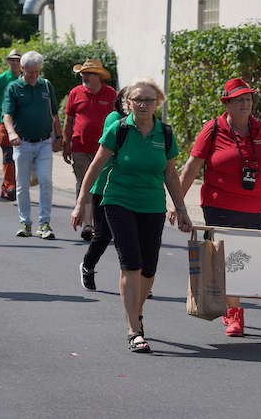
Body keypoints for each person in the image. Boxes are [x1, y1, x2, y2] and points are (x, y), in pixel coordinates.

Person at [72, 78, 192, 353]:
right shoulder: (119, 129)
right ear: (128, 103)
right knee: (132, 263)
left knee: (149, 268)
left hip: (152, 204)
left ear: (157, 103)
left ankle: (135, 313)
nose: (142, 104)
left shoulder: (165, 133)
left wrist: (181, 208)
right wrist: (81, 202)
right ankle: (134, 330)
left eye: (148, 100)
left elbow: (170, 173)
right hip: (118, 200)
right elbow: (96, 165)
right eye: (137, 99)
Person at [173, 78, 261, 337]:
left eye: (248, 99)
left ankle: (230, 305)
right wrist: (178, 204)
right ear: (228, 104)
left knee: (245, 261)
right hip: (219, 206)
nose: (245, 103)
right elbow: (191, 167)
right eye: (239, 100)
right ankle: (235, 313)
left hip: (255, 207)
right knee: (228, 260)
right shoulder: (213, 129)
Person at [2, 50, 62, 240]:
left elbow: (54, 113)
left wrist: (59, 137)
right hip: (22, 143)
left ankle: (44, 223)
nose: (34, 76)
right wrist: (11, 133)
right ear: (22, 69)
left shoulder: (46, 86)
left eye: (37, 72)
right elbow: (7, 115)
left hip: (44, 142)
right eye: (30, 72)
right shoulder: (14, 88)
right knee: (22, 184)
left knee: (46, 181)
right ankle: (25, 222)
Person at [79, 86, 128, 291]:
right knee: (104, 235)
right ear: (124, 101)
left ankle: (135, 278)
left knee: (128, 237)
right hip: (106, 187)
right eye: (133, 98)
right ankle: (88, 266)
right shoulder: (114, 120)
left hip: (130, 190)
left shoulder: (150, 126)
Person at [63, 59, 117, 241]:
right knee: (83, 183)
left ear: (99, 76)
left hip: (104, 150)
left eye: (88, 74)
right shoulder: (75, 93)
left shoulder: (111, 95)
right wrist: (65, 143)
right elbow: (69, 120)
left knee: (101, 185)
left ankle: (101, 222)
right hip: (79, 146)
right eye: (82, 74)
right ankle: (88, 224)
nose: (84, 77)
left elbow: (119, 120)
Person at [0, 48, 22, 200]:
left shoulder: (26, 78)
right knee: (8, 154)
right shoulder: (1, 79)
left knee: (20, 157)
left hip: (22, 124)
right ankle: (9, 186)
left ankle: (10, 186)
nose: (14, 62)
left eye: (17, 60)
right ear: (8, 61)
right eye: (11, 60)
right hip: (4, 123)